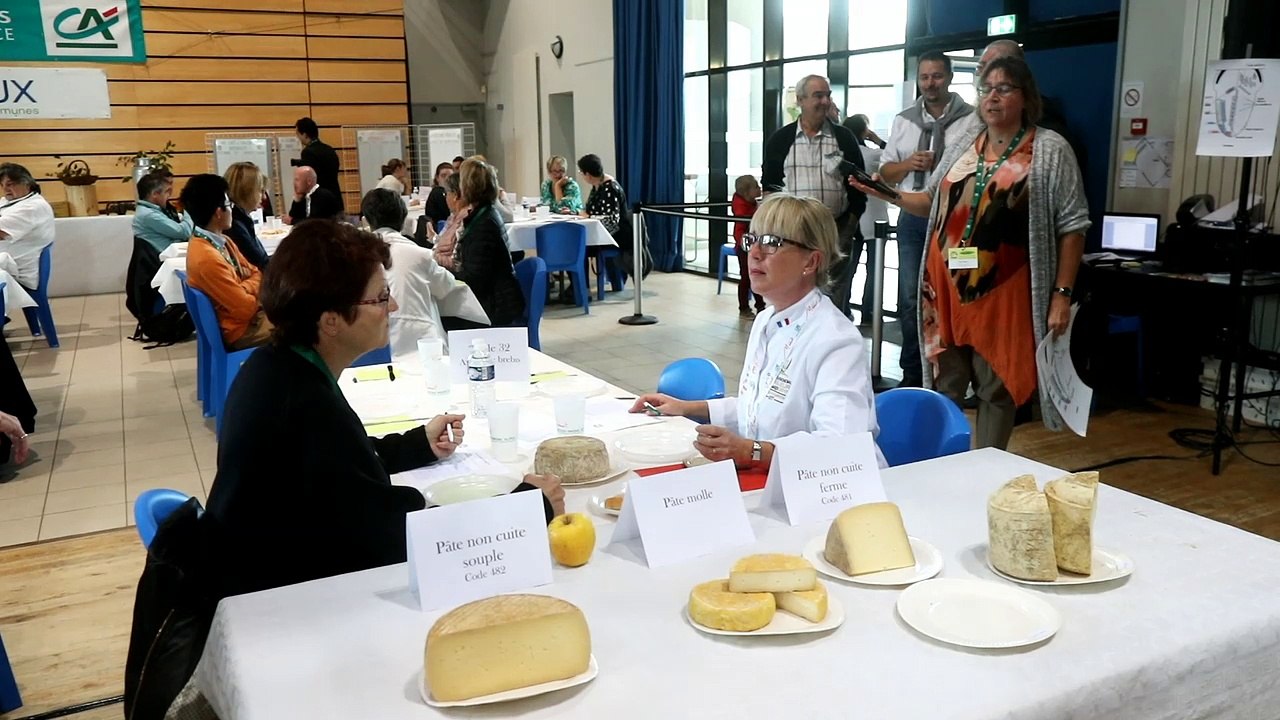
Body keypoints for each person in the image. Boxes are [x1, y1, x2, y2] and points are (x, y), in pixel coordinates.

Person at [851, 57, 1089, 449]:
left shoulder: (1049, 148)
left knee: (997, 386)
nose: (991, 97)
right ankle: (941, 465)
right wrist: (888, 194)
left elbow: (1073, 225)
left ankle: (986, 468)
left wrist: (1061, 295)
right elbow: (930, 201)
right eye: (985, 89)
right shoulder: (965, 142)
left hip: (1004, 288)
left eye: (1003, 88)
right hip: (945, 285)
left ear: (1026, 96)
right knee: (945, 382)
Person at [630, 194, 884, 469]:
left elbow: (841, 445)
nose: (754, 253)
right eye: (752, 240)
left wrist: (751, 451)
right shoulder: (765, 320)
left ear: (810, 262)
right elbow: (758, 407)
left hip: (833, 489)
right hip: (775, 478)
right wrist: (686, 407)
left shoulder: (836, 339)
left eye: (772, 242)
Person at [879, 51, 975, 385]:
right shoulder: (903, 120)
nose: (930, 84)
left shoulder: (973, 121)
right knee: (909, 296)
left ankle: (953, 375)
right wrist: (909, 165)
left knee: (954, 296)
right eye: (924, 77)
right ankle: (913, 372)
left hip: (956, 220)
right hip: (912, 218)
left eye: (936, 76)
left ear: (949, 78)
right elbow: (886, 172)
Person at [761, 75, 867, 320]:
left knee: (833, 306)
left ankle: (831, 355)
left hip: (836, 233)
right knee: (793, 301)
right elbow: (770, 188)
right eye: (818, 96)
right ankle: (796, 354)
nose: (825, 101)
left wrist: (848, 228)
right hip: (792, 237)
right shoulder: (781, 140)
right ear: (800, 100)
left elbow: (859, 186)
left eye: (828, 95)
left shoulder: (844, 139)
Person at [361, 188, 464, 359]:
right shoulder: (419, 254)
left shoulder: (357, 256)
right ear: (403, 220)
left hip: (370, 348)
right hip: (421, 343)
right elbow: (446, 286)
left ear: (367, 221)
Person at [181, 174, 273, 350]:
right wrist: (249, 288)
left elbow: (256, 272)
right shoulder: (206, 258)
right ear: (218, 212)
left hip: (247, 319)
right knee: (305, 328)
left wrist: (243, 288)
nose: (232, 210)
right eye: (229, 205)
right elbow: (245, 308)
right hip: (240, 330)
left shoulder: (221, 241)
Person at [452, 158, 525, 326]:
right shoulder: (485, 214)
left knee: (442, 319)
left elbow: (475, 279)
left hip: (496, 305)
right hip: (495, 296)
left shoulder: (484, 223)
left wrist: (445, 274)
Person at [843, 113, 890, 325]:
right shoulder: (873, 155)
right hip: (875, 219)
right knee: (874, 268)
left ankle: (843, 308)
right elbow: (893, 156)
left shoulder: (841, 157)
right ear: (864, 131)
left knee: (848, 268)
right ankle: (869, 311)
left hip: (851, 219)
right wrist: (876, 139)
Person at [578, 153, 642, 284]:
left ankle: (580, 286)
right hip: (603, 231)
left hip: (617, 234)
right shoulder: (597, 186)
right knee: (578, 244)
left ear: (588, 174)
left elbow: (611, 220)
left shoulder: (610, 188)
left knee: (579, 247)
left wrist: (589, 216)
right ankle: (580, 286)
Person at [0, 163, 55, 291]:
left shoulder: (32, 207)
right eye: (2, 185)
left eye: (10, 184)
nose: (5, 189)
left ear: (27, 183)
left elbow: (1, 232)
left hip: (17, 270)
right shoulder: (11, 201)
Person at [133, 171, 194, 254]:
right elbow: (184, 232)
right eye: (166, 192)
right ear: (155, 194)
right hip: (166, 259)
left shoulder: (149, 210)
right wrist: (188, 209)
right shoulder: (149, 215)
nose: (169, 195)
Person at [223, 162, 270, 270]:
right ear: (247, 191)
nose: (263, 197)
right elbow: (259, 263)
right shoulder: (234, 225)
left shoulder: (239, 219)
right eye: (260, 191)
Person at [730, 174, 765, 318]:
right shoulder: (742, 207)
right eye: (756, 187)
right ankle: (744, 307)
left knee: (754, 275)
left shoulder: (752, 203)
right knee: (746, 277)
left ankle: (760, 305)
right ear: (746, 192)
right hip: (744, 246)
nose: (760, 189)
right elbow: (743, 226)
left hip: (753, 244)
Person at [292, 116, 342, 205]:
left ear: (304, 134)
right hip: (335, 196)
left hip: (319, 201)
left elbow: (308, 179)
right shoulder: (330, 149)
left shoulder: (308, 152)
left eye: (298, 134)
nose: (298, 137)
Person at [432, 172, 466, 270]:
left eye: (446, 194)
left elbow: (456, 263)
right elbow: (440, 242)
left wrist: (433, 257)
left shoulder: (463, 220)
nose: (446, 198)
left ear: (455, 195)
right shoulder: (453, 217)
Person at [423, 162, 453, 234]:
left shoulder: (446, 193)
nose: (447, 179)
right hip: (440, 230)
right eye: (443, 176)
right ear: (437, 178)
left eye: (450, 176)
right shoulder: (438, 193)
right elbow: (448, 213)